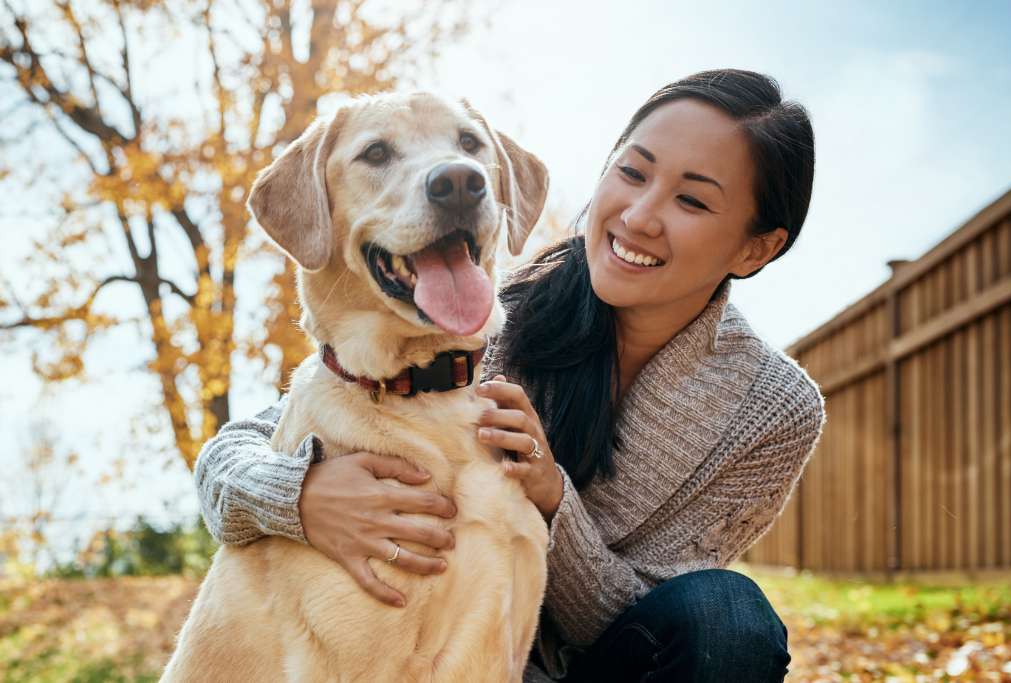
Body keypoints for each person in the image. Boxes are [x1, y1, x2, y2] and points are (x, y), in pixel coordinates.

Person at [194, 69, 825, 682]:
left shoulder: (768, 409)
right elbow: (242, 446)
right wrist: (299, 495)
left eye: (691, 200)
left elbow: (658, 621)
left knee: (728, 618)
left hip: (589, 661)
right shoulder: (469, 319)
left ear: (756, 247)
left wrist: (552, 500)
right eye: (632, 173)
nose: (639, 216)